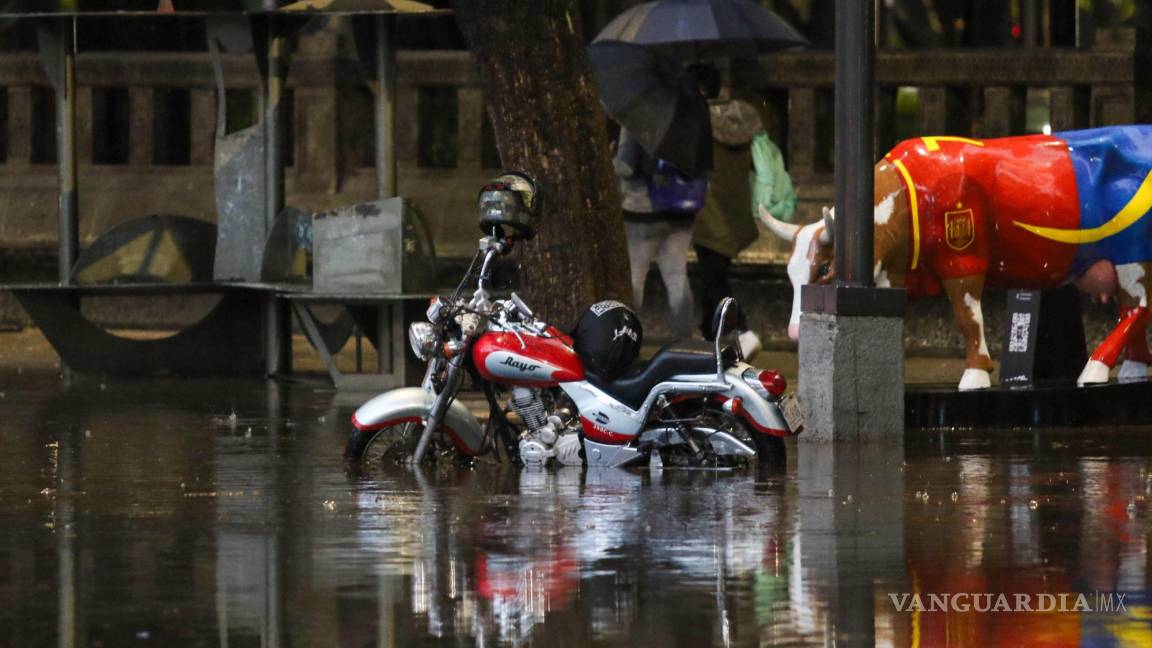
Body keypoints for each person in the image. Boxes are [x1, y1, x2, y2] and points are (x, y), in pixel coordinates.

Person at [693, 99, 795, 358]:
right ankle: (707, 336)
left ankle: (743, 331)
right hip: (734, 215)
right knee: (711, 280)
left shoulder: (703, 132)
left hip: (711, 216)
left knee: (714, 281)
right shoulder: (744, 131)